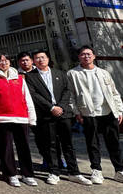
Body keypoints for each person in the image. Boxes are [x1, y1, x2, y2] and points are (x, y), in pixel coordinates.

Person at [67, 46, 123, 185]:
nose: (86, 56)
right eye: (83, 54)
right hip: (88, 113)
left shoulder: (103, 72)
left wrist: (119, 110)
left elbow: (114, 92)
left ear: (94, 56)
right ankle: (96, 170)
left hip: (108, 112)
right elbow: (71, 96)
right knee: (92, 143)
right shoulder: (73, 74)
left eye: (89, 54)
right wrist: (77, 112)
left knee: (114, 143)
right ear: (79, 57)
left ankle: (120, 171)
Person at [25, 50, 92, 185]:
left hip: (63, 114)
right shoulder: (30, 77)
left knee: (68, 144)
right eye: (37, 58)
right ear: (33, 61)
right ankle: (54, 172)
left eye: (42, 57)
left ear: (48, 58)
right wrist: (51, 108)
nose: (40, 60)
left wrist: (60, 107)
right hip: (46, 115)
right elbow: (34, 95)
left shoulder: (60, 73)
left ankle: (74, 172)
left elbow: (67, 91)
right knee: (50, 145)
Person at [0, 53, 37, 187]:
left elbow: (27, 97)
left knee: (24, 147)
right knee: (6, 148)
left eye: (6, 60)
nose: (3, 63)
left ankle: (27, 174)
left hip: (21, 117)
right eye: (0, 60)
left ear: (10, 62)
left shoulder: (20, 78)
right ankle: (11, 174)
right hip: (2, 118)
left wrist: (31, 117)